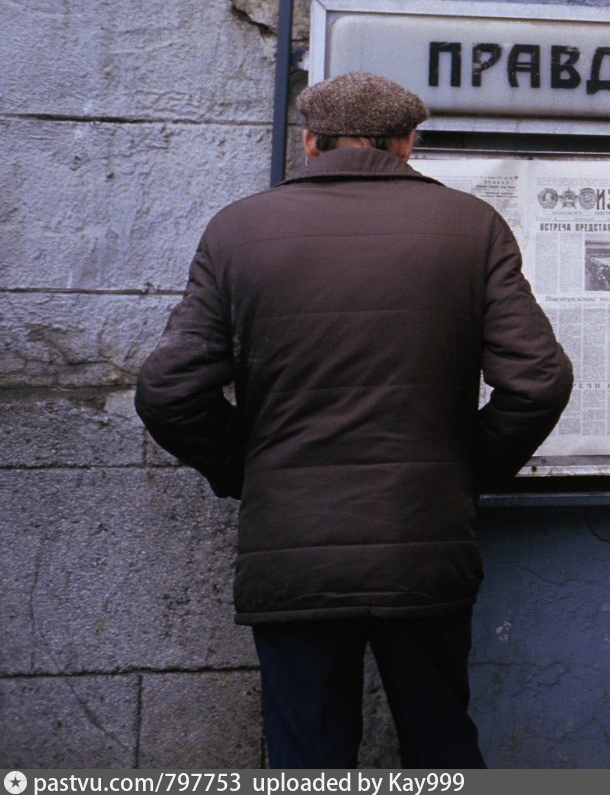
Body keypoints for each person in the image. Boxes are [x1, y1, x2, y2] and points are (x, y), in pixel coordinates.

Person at [134, 72, 573, 769]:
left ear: (310, 143)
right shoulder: (471, 226)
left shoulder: (238, 229)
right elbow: (539, 380)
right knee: (441, 746)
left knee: (308, 757)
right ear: (407, 143)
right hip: (423, 542)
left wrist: (247, 469)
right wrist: (466, 471)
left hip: (292, 550)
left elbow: (167, 391)